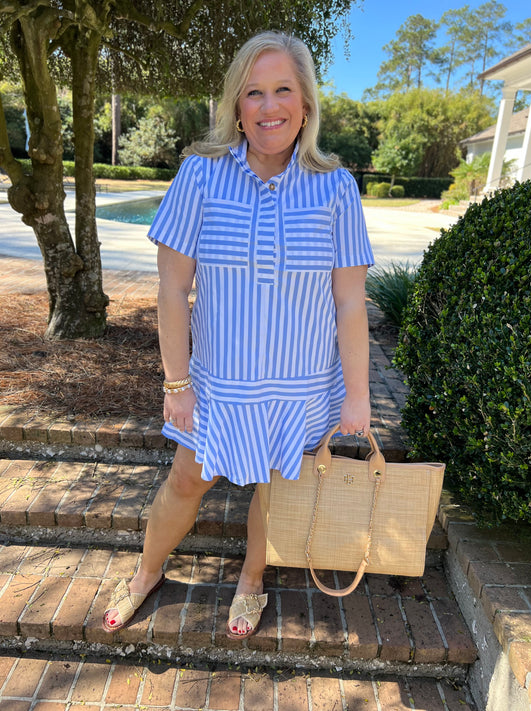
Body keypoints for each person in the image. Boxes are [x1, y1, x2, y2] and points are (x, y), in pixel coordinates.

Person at [102, 30, 373, 639]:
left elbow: (349, 299)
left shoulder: (336, 188)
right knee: (186, 480)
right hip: (219, 384)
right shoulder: (201, 176)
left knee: (277, 490)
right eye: (254, 92)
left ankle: (252, 579)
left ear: (305, 104)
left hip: (303, 386)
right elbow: (172, 289)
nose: (269, 106)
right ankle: (147, 571)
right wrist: (176, 382)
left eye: (283, 90)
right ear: (236, 105)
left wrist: (356, 394)